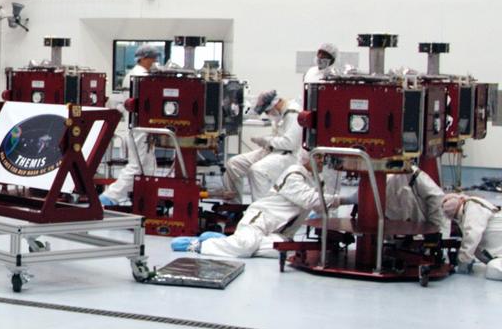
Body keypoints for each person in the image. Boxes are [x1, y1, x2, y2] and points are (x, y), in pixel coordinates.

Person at [172, 152, 341, 258]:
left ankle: (226, 242)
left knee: (284, 250)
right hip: (261, 219)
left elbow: (320, 205)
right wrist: (347, 200)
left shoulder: (318, 180)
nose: (322, 161)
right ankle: (197, 244)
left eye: (322, 157)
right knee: (246, 247)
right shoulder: (295, 174)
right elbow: (311, 200)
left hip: (279, 232)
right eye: (318, 157)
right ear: (306, 158)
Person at [99, 45, 160, 206]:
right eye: (153, 58)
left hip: (138, 126)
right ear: (144, 58)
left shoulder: (133, 74)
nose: (154, 62)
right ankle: (110, 196)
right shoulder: (141, 75)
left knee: (147, 166)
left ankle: (143, 197)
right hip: (140, 127)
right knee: (137, 165)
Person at [221, 89, 302, 201]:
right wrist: (265, 141)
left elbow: (290, 143)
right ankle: (234, 206)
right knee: (233, 163)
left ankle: (260, 211)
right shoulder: (282, 113)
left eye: (267, 111)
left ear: (275, 104)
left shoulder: (293, 113)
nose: (268, 114)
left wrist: (266, 140)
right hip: (272, 150)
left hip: (287, 155)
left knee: (257, 170)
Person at [442, 193, 502, 280]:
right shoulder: (473, 207)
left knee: (493, 269)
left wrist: (463, 262)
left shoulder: (473, 206)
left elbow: (472, 235)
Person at [385, 167, 450, 237]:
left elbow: (437, 198)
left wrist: (436, 231)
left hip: (429, 228)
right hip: (406, 233)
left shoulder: (412, 175)